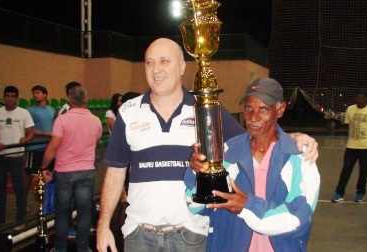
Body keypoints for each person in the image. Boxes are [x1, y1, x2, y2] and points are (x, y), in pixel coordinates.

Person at [96, 38, 318, 252]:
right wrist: (103, 225)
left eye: (164, 61)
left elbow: (255, 136)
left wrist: (294, 137)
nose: (156, 69)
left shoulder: (209, 111)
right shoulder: (128, 112)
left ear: (182, 67)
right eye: (149, 62)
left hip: (190, 233)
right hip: (139, 233)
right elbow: (115, 172)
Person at [185, 77, 320, 251]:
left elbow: (297, 218)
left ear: (280, 109)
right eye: (248, 108)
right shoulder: (226, 152)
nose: (253, 117)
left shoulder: (300, 158)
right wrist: (198, 173)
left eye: (263, 109)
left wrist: (246, 205)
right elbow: (195, 207)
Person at [40, 86, 102, 251]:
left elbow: (53, 147)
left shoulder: (62, 120)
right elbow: (95, 143)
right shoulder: (96, 120)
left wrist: (43, 166)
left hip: (64, 172)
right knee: (84, 212)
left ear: (69, 100)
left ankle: (60, 248)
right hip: (86, 172)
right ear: (86, 100)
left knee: (62, 212)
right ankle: (83, 248)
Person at [0, 85, 34, 228]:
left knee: (19, 189)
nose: (10, 99)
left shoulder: (23, 113)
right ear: (3, 97)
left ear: (17, 98)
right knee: (0, 189)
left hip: (16, 156)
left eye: (13, 96)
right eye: (7, 96)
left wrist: (26, 139)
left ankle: (21, 220)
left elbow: (30, 132)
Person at [331, 91, 367, 203]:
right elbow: (348, 124)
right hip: (351, 146)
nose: (360, 100)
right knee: (346, 169)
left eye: (362, 98)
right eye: (358, 98)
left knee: (363, 170)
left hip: (366, 147)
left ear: (366, 99)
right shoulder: (350, 109)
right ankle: (339, 192)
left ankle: (360, 193)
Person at [26, 85, 56, 207]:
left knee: (49, 175)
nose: (35, 95)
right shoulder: (30, 110)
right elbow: (30, 130)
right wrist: (45, 133)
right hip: (34, 148)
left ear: (45, 95)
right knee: (30, 176)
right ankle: (25, 202)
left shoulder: (52, 110)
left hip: (48, 148)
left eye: (38, 92)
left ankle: (48, 202)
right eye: (34, 93)